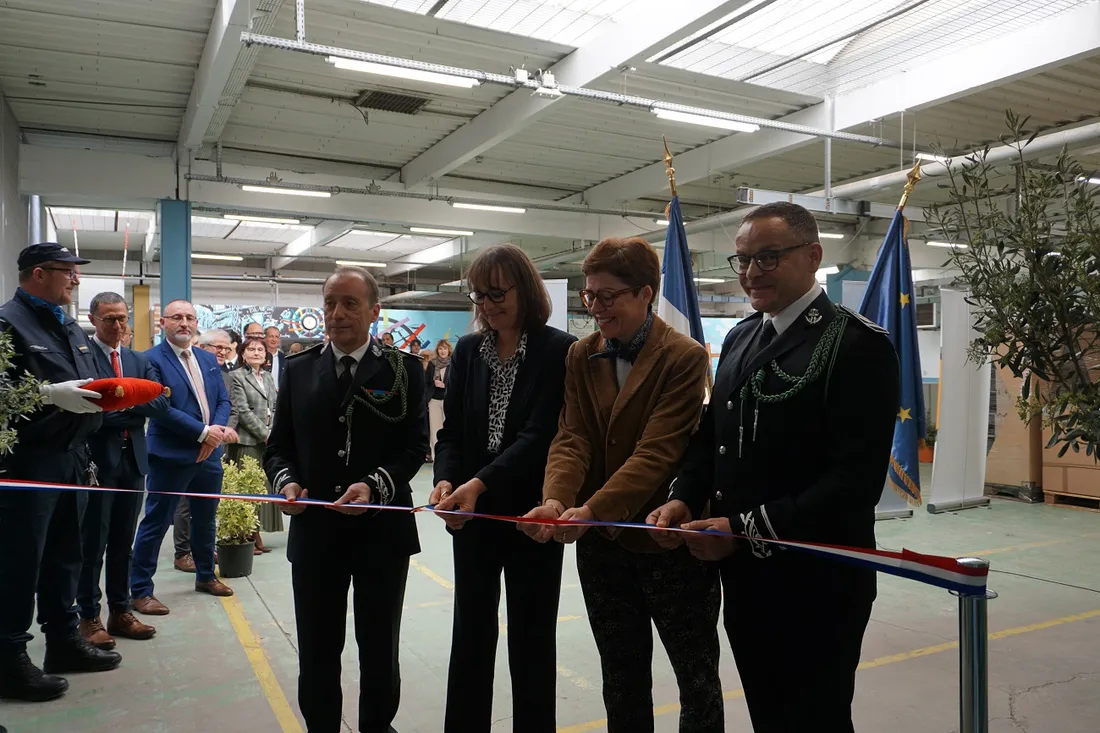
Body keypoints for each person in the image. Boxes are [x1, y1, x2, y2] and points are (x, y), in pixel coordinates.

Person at [649, 202, 900, 733]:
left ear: (812, 256)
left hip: (818, 582)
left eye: (766, 258)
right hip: (747, 578)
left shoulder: (855, 344)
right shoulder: (741, 336)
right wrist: (684, 495)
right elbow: (712, 434)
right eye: (741, 260)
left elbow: (853, 484)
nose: (749, 273)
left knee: (815, 719)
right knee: (768, 713)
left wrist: (740, 531)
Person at [518, 237, 724, 733]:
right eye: (590, 296)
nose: (596, 308)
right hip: (603, 549)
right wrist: (555, 499)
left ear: (646, 293)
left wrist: (591, 510)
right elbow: (572, 437)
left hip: (667, 542)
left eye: (609, 296)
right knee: (621, 677)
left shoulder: (683, 357)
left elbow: (658, 452)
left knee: (695, 680)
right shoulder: (581, 355)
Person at [264, 266, 428, 733]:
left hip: (383, 533)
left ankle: (378, 724)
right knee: (317, 645)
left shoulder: (404, 370)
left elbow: (415, 447)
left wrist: (376, 485)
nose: (336, 314)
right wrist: (285, 482)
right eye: (330, 303)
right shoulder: (297, 369)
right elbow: (279, 446)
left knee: (379, 643)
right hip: (317, 534)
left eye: (350, 303)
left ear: (375, 311)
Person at [429, 244, 575, 733]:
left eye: (497, 293)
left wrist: (478, 483)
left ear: (526, 290)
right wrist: (446, 479)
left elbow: (541, 436)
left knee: (532, 640)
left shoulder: (558, 349)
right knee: (470, 635)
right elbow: (450, 433)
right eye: (479, 295)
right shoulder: (470, 350)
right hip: (471, 517)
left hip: (533, 518)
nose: (488, 305)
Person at [0, 243, 120, 703]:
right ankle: (9, 659)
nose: (75, 279)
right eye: (67, 272)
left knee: (68, 554)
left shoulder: (72, 327)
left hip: (73, 456)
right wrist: (49, 394)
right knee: (20, 562)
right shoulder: (8, 323)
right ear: (37, 273)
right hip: (28, 462)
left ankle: (63, 642)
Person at [130, 299, 237, 616]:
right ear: (162, 323)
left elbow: (223, 400)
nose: (184, 323)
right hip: (171, 455)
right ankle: (141, 590)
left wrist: (214, 431)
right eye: (177, 317)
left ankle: (206, 576)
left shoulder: (207, 358)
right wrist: (201, 433)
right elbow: (157, 407)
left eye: (190, 317)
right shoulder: (150, 359)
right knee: (156, 522)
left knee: (206, 520)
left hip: (209, 456)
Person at [77, 292, 166, 651]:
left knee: (122, 543)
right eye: (109, 319)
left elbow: (160, 402)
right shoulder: (83, 360)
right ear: (93, 319)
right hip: (98, 464)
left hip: (134, 463)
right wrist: (134, 405)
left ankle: (120, 610)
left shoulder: (136, 359)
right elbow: (90, 410)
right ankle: (88, 615)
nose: (117, 326)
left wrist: (118, 406)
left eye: (122, 319)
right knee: (92, 543)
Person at [172, 328, 235, 572]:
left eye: (226, 348)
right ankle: (182, 552)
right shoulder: (187, 370)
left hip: (216, 445)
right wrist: (205, 435)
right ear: (202, 348)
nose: (221, 352)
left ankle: (205, 562)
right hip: (190, 445)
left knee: (207, 510)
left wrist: (217, 434)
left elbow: (228, 405)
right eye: (216, 347)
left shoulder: (224, 375)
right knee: (184, 505)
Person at [228, 335, 282, 550]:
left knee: (262, 488)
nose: (256, 353)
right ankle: (248, 536)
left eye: (260, 350)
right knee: (247, 489)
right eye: (251, 349)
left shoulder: (268, 377)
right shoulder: (236, 376)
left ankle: (255, 532)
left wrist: (274, 432)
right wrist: (264, 433)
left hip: (267, 439)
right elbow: (242, 411)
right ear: (243, 354)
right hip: (247, 441)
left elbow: (275, 406)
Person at [425, 338, 451, 461]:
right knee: (435, 428)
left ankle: (447, 456)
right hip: (434, 400)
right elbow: (425, 382)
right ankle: (436, 457)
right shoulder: (432, 363)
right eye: (440, 348)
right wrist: (433, 383)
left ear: (448, 350)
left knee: (447, 429)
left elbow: (457, 382)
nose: (442, 351)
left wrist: (445, 385)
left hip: (448, 399)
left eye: (445, 348)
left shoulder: (453, 363)